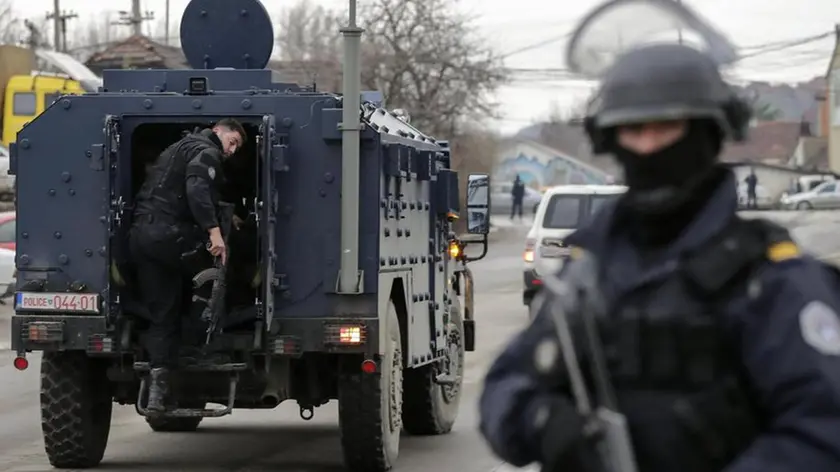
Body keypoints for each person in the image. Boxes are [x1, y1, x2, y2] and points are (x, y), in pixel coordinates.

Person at [479, 43, 840, 472]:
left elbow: (823, 433)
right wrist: (544, 423)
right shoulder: (591, 270)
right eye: (634, 130)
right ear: (611, 139)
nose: (649, 147)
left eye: (666, 127)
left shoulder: (771, 278)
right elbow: (504, 387)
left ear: (708, 133)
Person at [129, 118, 247, 412]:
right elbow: (196, 189)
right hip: (171, 238)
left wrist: (223, 214)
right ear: (219, 131)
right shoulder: (206, 151)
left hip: (144, 238)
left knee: (162, 313)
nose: (231, 151)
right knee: (215, 273)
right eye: (233, 142)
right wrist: (215, 232)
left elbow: (176, 191)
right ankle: (202, 348)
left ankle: (158, 392)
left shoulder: (177, 148)